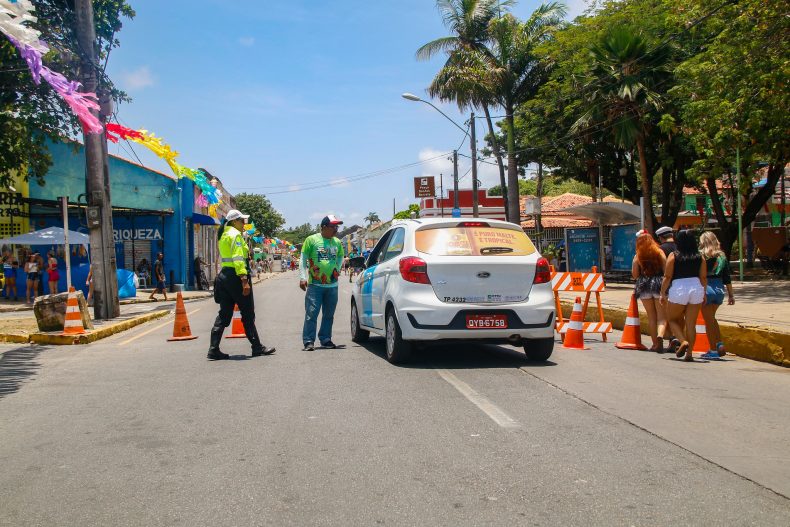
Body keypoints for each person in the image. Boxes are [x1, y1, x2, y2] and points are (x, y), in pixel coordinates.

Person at [208, 209, 275, 360]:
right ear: (234, 221)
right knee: (248, 313)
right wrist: (244, 281)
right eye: (242, 221)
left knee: (224, 314)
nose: (244, 224)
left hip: (225, 276)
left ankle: (213, 348)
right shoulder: (235, 235)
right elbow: (238, 259)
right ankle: (257, 347)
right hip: (237, 277)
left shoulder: (223, 234)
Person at [299, 215, 344, 350]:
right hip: (315, 285)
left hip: (332, 286)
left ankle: (325, 339)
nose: (336, 230)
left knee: (329, 314)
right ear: (324, 227)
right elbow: (303, 258)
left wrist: (338, 267)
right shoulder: (311, 240)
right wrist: (302, 277)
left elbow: (341, 256)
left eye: (337, 227)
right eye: (333, 227)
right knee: (311, 313)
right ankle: (308, 341)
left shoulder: (337, 242)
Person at [660, 230, 706, 362]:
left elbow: (667, 276)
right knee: (691, 324)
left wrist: (662, 293)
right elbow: (703, 277)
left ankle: (683, 341)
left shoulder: (674, 256)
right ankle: (690, 353)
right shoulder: (700, 257)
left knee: (672, 319)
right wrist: (704, 293)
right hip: (696, 288)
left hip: (679, 288)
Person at [699, 231, 735, 359]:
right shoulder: (722, 257)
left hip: (706, 289)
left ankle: (713, 350)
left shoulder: (701, 256)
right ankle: (719, 343)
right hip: (719, 290)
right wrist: (731, 295)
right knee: (712, 319)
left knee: (708, 322)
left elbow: (699, 275)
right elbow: (727, 278)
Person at [632, 230, 667, 352]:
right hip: (658, 284)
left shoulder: (638, 255)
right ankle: (660, 335)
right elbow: (666, 270)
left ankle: (655, 344)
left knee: (651, 317)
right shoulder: (659, 252)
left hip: (644, 285)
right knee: (662, 317)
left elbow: (635, 275)